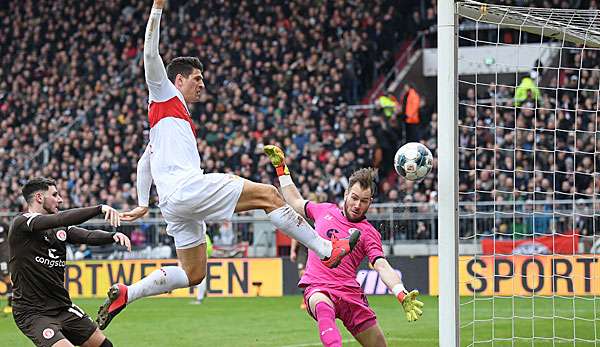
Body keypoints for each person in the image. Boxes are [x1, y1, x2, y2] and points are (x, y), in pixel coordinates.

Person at [96, 0, 360, 330]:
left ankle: (127, 294)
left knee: (194, 273)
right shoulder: (163, 94)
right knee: (268, 194)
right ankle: (325, 249)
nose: (203, 84)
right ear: (178, 80)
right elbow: (150, 54)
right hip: (187, 189)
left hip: (172, 206)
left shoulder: (166, 122)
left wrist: (141, 202)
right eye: (197, 78)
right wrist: (158, 8)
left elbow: (143, 162)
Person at [264, 145, 424, 347]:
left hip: (350, 294)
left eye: (364, 201)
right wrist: (281, 169)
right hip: (319, 286)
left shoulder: (368, 233)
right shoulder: (324, 210)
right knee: (321, 305)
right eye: (355, 198)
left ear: (370, 202)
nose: (357, 205)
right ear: (346, 193)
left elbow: (381, 265)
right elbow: (295, 201)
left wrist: (400, 292)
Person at [8, 177, 131, 347]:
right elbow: (62, 219)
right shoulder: (22, 223)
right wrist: (99, 208)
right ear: (39, 197)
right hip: (33, 312)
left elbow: (85, 235)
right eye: (55, 194)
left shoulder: (59, 229)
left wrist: (112, 236)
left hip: (62, 306)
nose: (60, 199)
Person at [290, 238, 308, 309]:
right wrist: (292, 251)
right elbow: (294, 237)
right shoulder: (300, 226)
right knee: (302, 273)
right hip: (302, 250)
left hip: (313, 249)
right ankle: (304, 298)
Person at [0, 220, 11, 315]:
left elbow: (12, 234)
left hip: (4, 257)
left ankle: (11, 305)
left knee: (7, 278)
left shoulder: (3, 225)